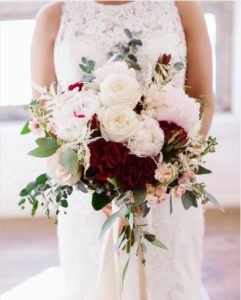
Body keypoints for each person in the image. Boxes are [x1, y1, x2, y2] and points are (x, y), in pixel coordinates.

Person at [30, 1, 214, 299]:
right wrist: (77, 174)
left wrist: (169, 169)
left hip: (165, 192)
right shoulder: (53, 17)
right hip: (90, 198)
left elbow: (202, 97)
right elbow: (42, 115)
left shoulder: (182, 8)